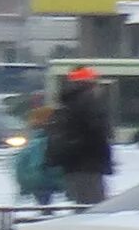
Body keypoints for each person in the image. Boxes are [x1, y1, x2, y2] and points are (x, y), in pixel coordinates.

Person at [43, 72, 114, 207]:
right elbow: (98, 131)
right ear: (89, 85)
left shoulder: (66, 104)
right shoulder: (88, 103)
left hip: (72, 167)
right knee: (93, 210)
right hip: (88, 166)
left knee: (80, 207)